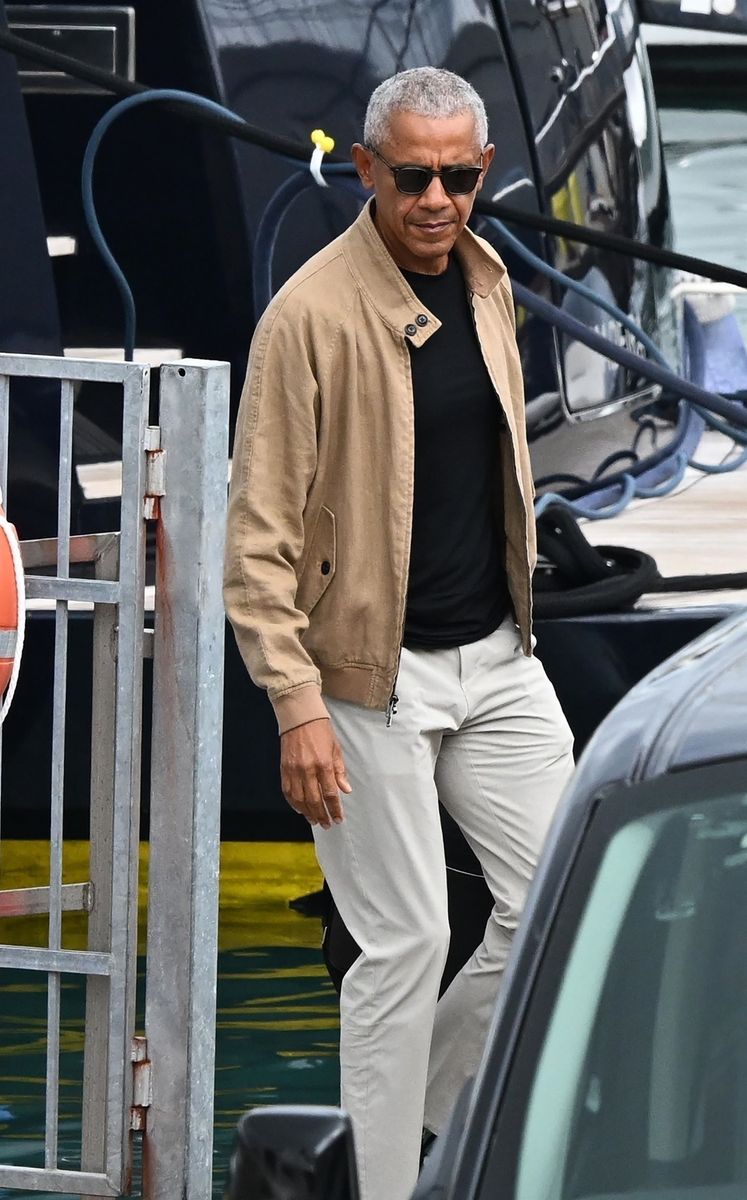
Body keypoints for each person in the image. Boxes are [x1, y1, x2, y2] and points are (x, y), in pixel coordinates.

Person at [224, 66, 574, 1200]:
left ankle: (420, 1108)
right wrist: (296, 706)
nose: (438, 197)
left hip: (498, 660)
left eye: (460, 175)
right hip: (367, 681)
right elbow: (258, 543)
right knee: (407, 941)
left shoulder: (487, 282)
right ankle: (377, 1185)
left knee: (559, 909)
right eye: (414, 174)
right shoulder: (308, 321)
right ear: (367, 171)